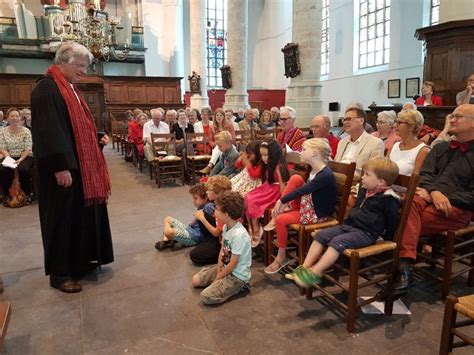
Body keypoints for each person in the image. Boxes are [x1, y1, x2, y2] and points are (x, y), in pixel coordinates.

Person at [30, 42, 113, 293]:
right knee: (62, 220)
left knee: (77, 217)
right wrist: (60, 166)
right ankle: (60, 273)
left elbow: (74, 127)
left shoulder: (70, 88)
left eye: (85, 67)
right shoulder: (47, 89)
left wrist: (95, 136)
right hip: (61, 170)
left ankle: (79, 262)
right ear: (63, 61)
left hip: (78, 167)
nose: (83, 71)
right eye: (80, 66)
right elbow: (49, 132)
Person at [394, 104, 474, 292]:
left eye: (458, 117)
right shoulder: (442, 148)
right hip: (427, 200)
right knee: (409, 203)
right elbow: (426, 174)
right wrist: (434, 193)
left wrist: (442, 196)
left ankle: (402, 267)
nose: (451, 119)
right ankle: (404, 266)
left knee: (399, 215)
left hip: (456, 208)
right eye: (452, 115)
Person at [287, 157, 400, 289]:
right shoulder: (365, 190)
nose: (362, 177)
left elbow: (392, 220)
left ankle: (315, 272)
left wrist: (387, 237)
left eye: (367, 175)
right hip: (349, 226)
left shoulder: (389, 199)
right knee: (320, 235)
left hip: (366, 233)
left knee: (337, 242)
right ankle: (304, 268)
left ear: (381, 182)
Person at [263, 138, 338, 274]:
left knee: (281, 220)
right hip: (308, 204)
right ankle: (279, 212)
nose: (300, 153)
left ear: (315, 152)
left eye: (304, 150)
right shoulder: (314, 170)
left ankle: (281, 257)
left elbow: (304, 190)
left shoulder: (325, 175)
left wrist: (282, 201)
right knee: (296, 178)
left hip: (317, 213)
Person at [192, 191, 251, 305]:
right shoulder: (226, 227)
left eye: (217, 209)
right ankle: (220, 282)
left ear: (227, 214)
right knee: (195, 280)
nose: (214, 213)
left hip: (237, 276)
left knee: (205, 296)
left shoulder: (239, 235)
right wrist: (219, 270)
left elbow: (233, 264)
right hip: (225, 267)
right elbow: (222, 251)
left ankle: (240, 287)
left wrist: (217, 278)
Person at [245, 140, 289, 247]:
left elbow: (283, 186)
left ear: (273, 154)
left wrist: (283, 201)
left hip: (275, 192)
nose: (263, 158)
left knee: (252, 200)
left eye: (266, 155)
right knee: (246, 196)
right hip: (267, 188)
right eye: (262, 155)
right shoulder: (267, 165)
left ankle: (256, 227)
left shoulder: (279, 166)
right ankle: (253, 226)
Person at [155, 183, 215, 251]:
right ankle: (167, 241)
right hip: (189, 229)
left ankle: (170, 239)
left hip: (194, 237)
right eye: (193, 198)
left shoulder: (208, 207)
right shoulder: (202, 206)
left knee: (168, 231)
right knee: (168, 219)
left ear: (205, 198)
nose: (193, 201)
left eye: (196, 198)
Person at [189, 175, 233, 265]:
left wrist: (202, 218)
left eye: (209, 190)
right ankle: (208, 242)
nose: (206, 192)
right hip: (220, 235)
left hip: (225, 241)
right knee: (203, 211)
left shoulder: (223, 208)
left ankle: (223, 257)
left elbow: (217, 233)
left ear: (218, 192)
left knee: (194, 256)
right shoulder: (218, 203)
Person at [334, 107, 384, 179]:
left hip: (357, 184)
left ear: (361, 120)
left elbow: (372, 172)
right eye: (344, 120)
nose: (345, 122)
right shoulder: (342, 142)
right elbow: (336, 164)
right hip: (337, 180)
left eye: (349, 119)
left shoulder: (376, 143)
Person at [0, 107, 35, 205]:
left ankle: (27, 195)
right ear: (8, 118)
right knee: (3, 169)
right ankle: (7, 196)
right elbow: (3, 148)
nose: (15, 118)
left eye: (17, 116)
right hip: (9, 156)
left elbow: (28, 148)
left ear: (20, 118)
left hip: (25, 156)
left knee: (23, 169)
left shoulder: (26, 131)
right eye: (12, 116)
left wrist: (20, 159)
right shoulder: (2, 131)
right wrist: (9, 159)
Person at [389, 109, 430, 176]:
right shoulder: (394, 146)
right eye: (396, 122)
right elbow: (383, 171)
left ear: (412, 126)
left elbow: (415, 179)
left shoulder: (423, 151)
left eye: (399, 123)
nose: (395, 126)